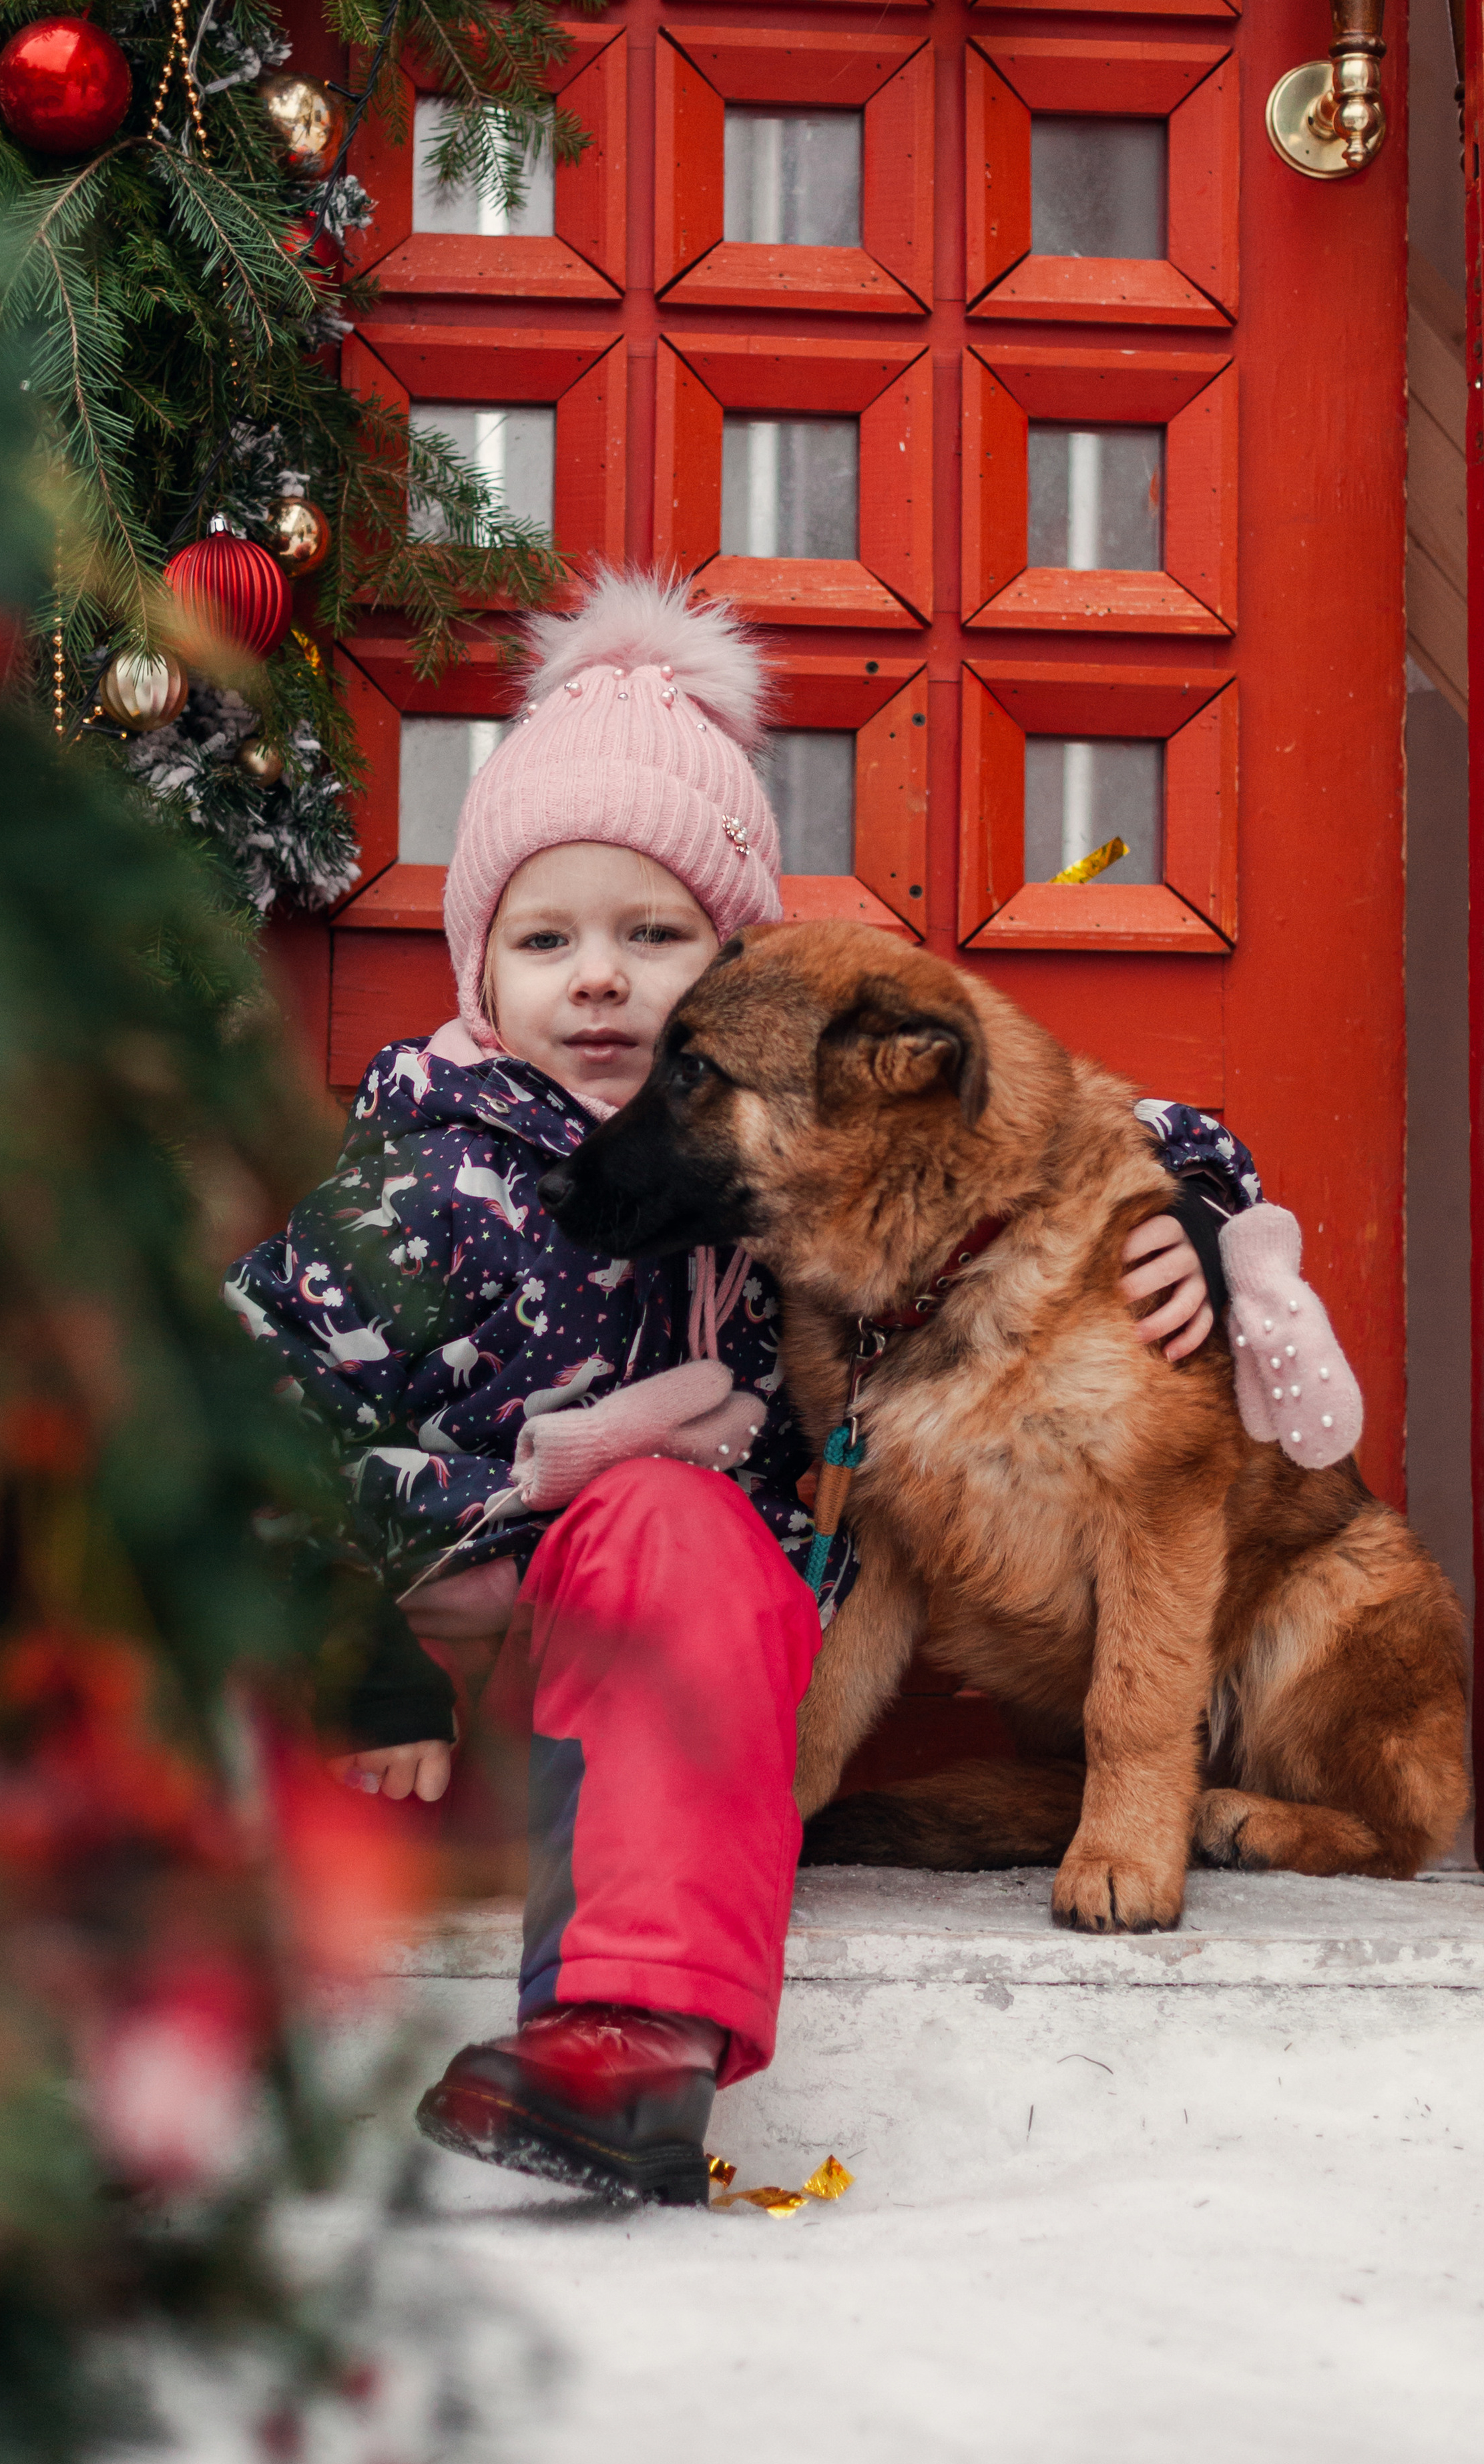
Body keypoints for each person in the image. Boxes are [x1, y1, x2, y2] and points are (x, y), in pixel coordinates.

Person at [226, 570, 1263, 2204]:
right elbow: (231, 1408)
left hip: (662, 1766)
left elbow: (1058, 1125)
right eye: (545, 937)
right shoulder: (420, 1188)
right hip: (395, 1725)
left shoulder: (808, 1178)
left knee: (678, 1518)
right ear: (475, 966)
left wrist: (1195, 1215)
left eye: (654, 939)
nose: (597, 980)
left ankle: (628, 2040)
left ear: (735, 975)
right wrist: (346, 1644)